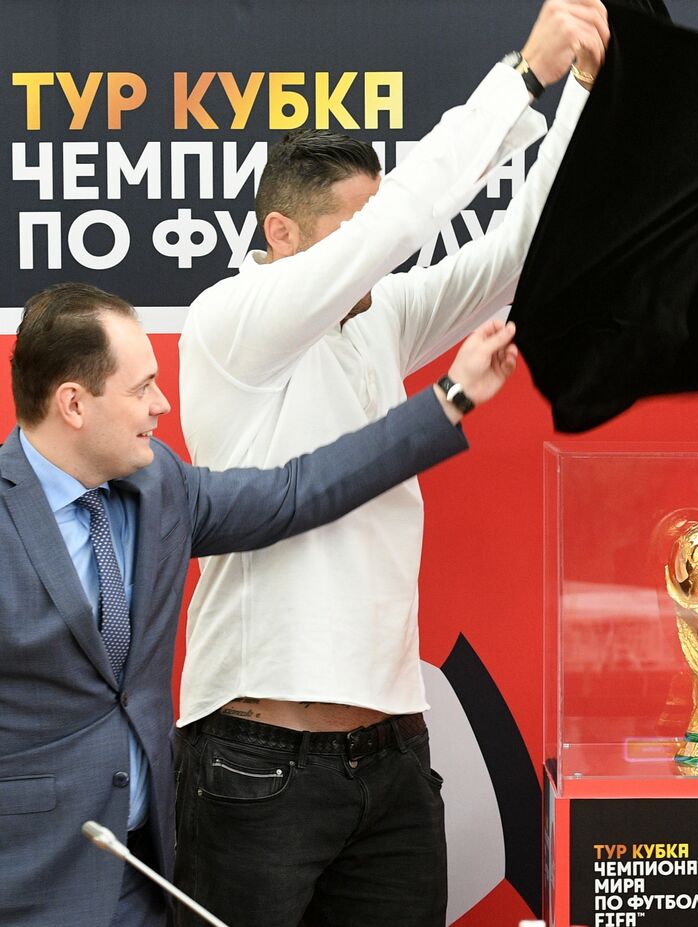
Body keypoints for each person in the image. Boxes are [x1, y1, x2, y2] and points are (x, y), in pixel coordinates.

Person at [172, 2, 609, 924]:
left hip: (393, 757)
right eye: (353, 231)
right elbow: (400, 225)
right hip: (256, 759)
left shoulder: (381, 319)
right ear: (282, 235)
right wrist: (522, 77)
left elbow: (517, 251)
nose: (377, 255)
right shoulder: (230, 323)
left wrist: (577, 95)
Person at [0, 282, 518, 927]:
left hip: (140, 874)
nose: (162, 404)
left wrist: (451, 397)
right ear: (74, 403)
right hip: (29, 876)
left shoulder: (160, 486)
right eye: (141, 388)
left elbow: (297, 491)